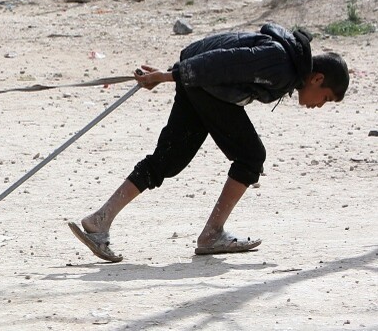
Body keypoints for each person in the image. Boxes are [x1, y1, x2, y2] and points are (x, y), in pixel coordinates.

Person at [68, 24, 349, 262]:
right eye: (325, 98)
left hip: (199, 83)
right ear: (318, 78)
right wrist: (169, 76)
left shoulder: (284, 60)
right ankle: (212, 234)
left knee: (169, 158)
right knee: (251, 156)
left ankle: (100, 220)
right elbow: (222, 63)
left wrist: (174, 72)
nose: (319, 105)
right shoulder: (281, 64)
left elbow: (217, 52)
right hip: (204, 86)